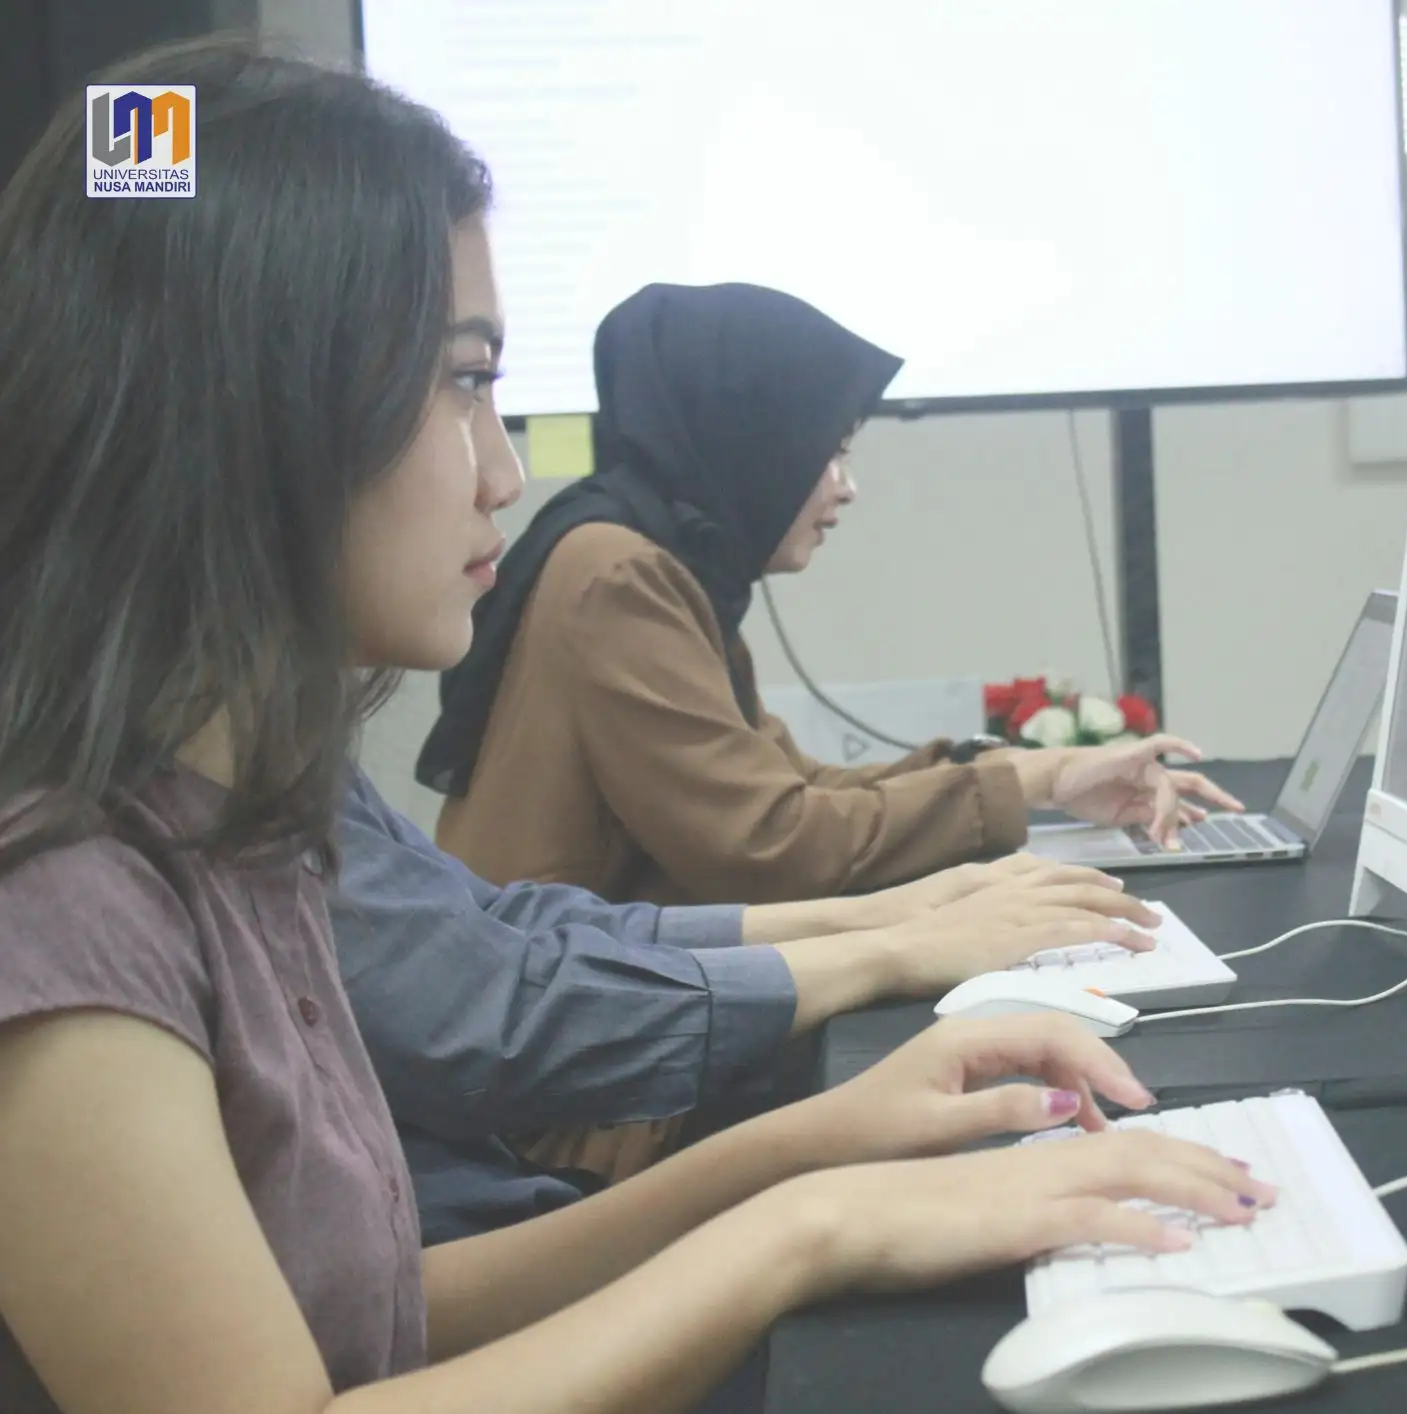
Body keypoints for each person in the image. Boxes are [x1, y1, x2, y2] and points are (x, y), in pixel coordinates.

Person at [0, 40, 1273, 1414]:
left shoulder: (245, 807)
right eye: (464, 382)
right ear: (253, 403)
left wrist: (812, 1159)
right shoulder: (62, 904)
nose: (503, 471)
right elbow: (741, 851)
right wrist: (811, 1215)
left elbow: (377, 1314)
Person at [416, 282, 1244, 907]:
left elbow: (792, 791)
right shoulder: (620, 575)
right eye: (831, 451)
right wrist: (1023, 783)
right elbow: (772, 845)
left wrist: (1044, 773)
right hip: (578, 1059)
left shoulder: (657, 556)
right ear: (754, 442)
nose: (846, 487)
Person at [334, 765, 1160, 1236]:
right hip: (592, 1132)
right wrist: (890, 950)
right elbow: (767, 834)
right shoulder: (617, 571)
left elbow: (517, 923)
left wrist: (883, 917)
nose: (497, 512)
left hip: (536, 1190)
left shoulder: (298, 759)